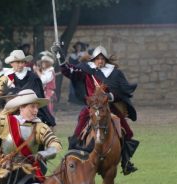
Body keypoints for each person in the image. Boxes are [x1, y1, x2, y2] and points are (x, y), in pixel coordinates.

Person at [57, 45, 139, 175]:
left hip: (110, 107)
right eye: (97, 58)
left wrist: (110, 96)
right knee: (80, 124)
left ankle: (126, 161)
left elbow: (121, 90)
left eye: (102, 59)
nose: (100, 61)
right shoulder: (86, 70)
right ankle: (73, 152)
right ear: (93, 59)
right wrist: (61, 58)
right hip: (92, 107)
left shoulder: (115, 73)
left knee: (127, 132)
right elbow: (70, 71)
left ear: (106, 60)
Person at [0, 50, 56, 127]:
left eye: (22, 62)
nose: (21, 65)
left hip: (28, 112)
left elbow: (38, 95)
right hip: (9, 112)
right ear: (11, 63)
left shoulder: (33, 77)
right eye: (18, 62)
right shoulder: (4, 77)